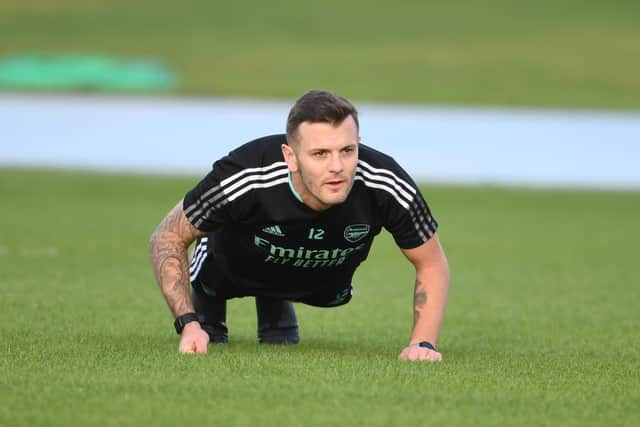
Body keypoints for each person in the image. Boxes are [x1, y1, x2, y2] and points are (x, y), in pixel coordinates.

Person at [149, 90, 450, 361]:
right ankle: (209, 310)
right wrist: (188, 323)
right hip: (233, 266)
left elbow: (432, 264)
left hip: (321, 280)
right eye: (320, 154)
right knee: (212, 267)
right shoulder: (244, 173)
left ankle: (275, 298)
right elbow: (167, 236)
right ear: (290, 157)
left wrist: (423, 344)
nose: (337, 167)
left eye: (347, 151)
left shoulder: (384, 180)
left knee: (332, 294)